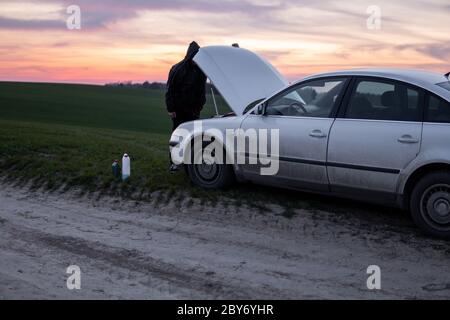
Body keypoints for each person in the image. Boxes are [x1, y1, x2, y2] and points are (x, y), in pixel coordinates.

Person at [166, 41, 207, 172]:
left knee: (193, 138)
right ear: (190, 55)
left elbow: (202, 91)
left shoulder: (201, 71)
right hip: (178, 110)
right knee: (178, 137)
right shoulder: (177, 69)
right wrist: (170, 108)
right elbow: (170, 90)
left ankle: (190, 164)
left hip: (193, 110)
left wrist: (200, 106)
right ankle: (174, 163)